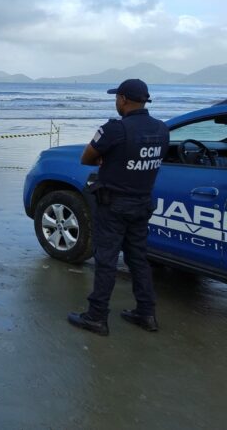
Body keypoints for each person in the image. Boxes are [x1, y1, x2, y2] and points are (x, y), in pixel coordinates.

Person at [68, 79, 169, 336]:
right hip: (142, 203)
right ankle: (146, 314)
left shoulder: (115, 129)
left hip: (114, 205)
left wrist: (107, 158)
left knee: (106, 260)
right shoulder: (162, 129)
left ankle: (97, 317)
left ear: (123, 99)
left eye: (117, 98)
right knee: (138, 260)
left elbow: (86, 157)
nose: (116, 102)